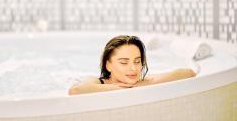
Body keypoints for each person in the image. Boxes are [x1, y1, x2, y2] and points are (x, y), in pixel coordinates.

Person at [68, 35, 196, 95]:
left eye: (137, 61)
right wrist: (119, 88)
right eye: (124, 62)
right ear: (108, 65)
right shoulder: (96, 81)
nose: (133, 68)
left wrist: (141, 84)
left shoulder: (141, 81)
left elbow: (188, 73)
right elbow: (75, 90)